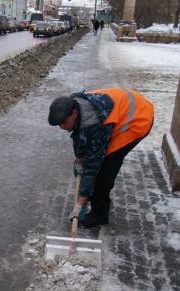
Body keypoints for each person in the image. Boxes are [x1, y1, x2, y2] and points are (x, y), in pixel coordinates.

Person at [48, 87, 154, 227]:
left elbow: (92, 165)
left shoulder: (96, 124)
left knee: (105, 169)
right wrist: (79, 160)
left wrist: (79, 204)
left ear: (73, 114)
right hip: (120, 110)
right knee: (91, 163)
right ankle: (89, 196)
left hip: (137, 120)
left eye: (62, 123)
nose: (61, 127)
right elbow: (79, 137)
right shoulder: (76, 105)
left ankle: (99, 215)